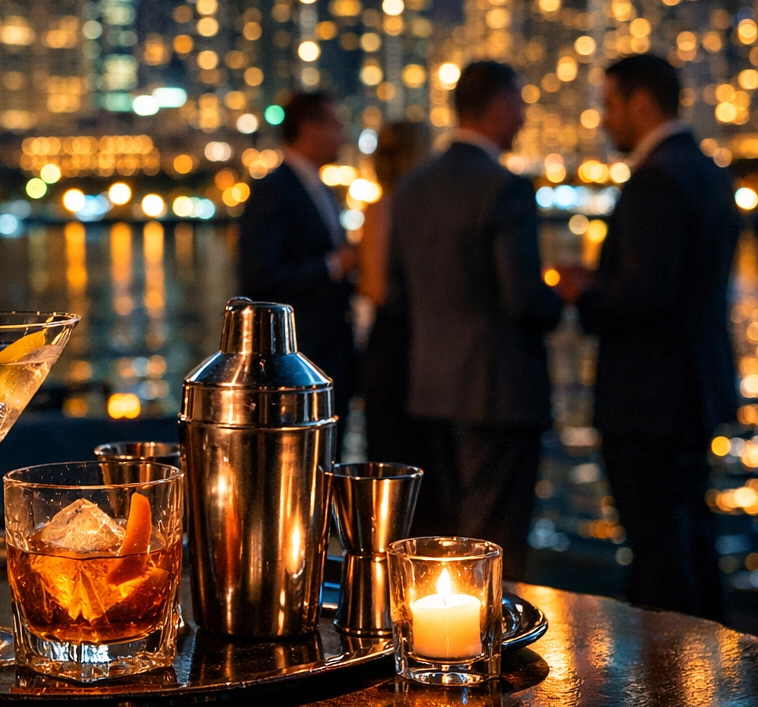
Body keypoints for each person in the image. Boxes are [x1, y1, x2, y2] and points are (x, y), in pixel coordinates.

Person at [557, 53, 738, 619]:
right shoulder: (708, 171)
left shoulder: (654, 180)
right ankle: (720, 670)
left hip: (647, 398)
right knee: (691, 536)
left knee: (658, 549)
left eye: (609, 105)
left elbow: (644, 298)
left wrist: (581, 292)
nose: (603, 120)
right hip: (694, 388)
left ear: (641, 103)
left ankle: (671, 688)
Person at [386, 61, 563, 577]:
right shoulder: (504, 187)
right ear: (499, 105)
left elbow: (398, 291)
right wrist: (563, 297)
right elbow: (524, 298)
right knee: (497, 538)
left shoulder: (414, 186)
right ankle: (493, 648)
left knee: (446, 534)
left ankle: (442, 646)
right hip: (498, 390)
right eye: (521, 102)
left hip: (430, 389)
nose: (524, 115)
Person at [238, 92, 357, 404]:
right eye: (335, 125)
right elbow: (259, 277)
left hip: (330, 351)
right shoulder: (272, 189)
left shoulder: (322, 189)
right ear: (309, 130)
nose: (342, 136)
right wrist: (334, 266)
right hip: (298, 357)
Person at [357, 121, 430, 468]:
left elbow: (374, 290)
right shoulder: (420, 208)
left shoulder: (382, 207)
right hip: (418, 344)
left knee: (391, 460)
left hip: (392, 345)